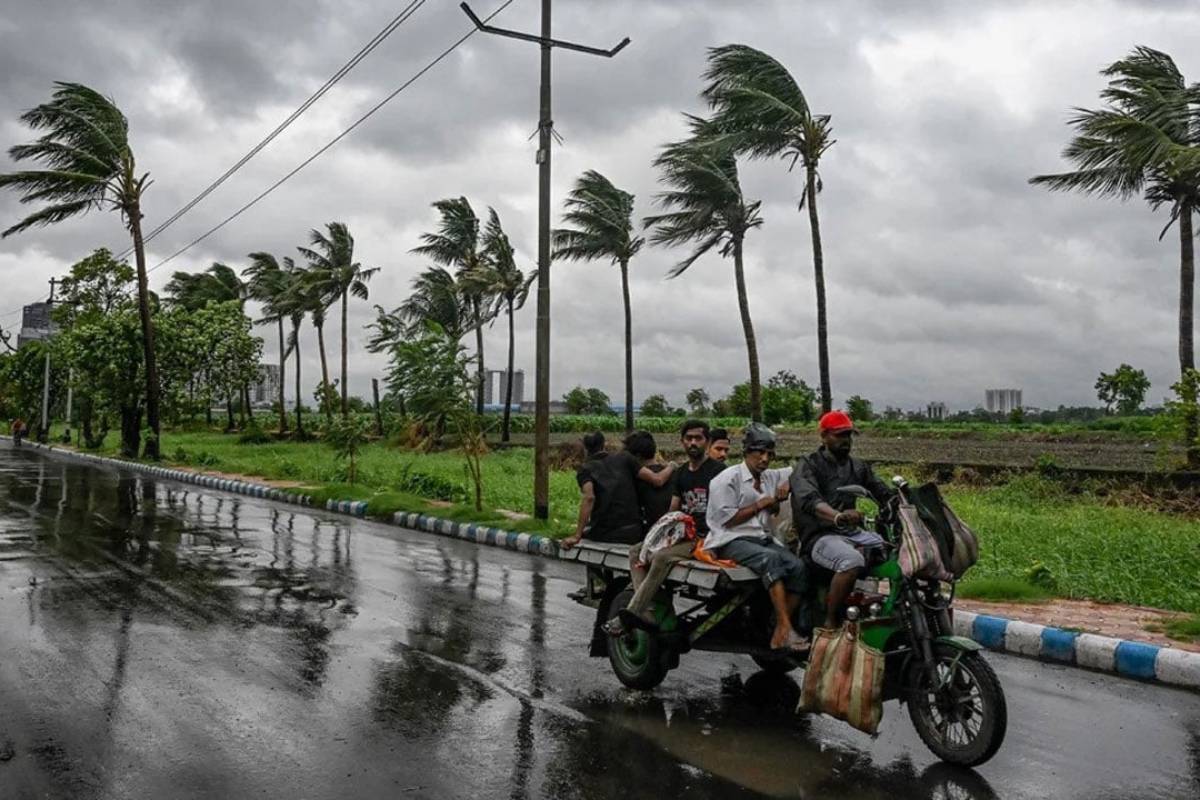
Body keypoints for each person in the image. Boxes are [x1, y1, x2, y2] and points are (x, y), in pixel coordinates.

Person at [613, 419, 726, 633]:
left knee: (662, 557)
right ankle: (646, 611)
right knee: (637, 551)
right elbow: (674, 510)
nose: (693, 442)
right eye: (688, 438)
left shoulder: (718, 472)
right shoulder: (681, 473)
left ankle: (632, 612)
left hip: (706, 537)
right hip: (683, 533)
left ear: (707, 441)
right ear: (682, 442)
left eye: (698, 438)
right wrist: (656, 537)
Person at [704, 423, 808, 652]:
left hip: (761, 539)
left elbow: (803, 466)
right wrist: (760, 504)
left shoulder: (770, 477)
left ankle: (778, 626)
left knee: (799, 567)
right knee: (770, 559)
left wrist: (788, 482)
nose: (764, 459)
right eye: (759, 452)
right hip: (730, 540)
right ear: (746, 452)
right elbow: (726, 520)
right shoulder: (726, 479)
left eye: (769, 454)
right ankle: (784, 628)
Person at [789, 410, 893, 628]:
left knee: (895, 552)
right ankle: (830, 620)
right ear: (824, 436)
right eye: (839, 435)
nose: (846, 440)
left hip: (851, 534)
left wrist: (906, 503)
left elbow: (882, 492)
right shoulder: (809, 465)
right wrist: (838, 516)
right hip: (819, 537)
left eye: (848, 435)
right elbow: (809, 499)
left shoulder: (857, 466)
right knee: (851, 561)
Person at [562, 430, 675, 550]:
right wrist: (672, 466)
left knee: (587, 537)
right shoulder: (625, 458)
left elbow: (589, 497)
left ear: (585, 449)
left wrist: (577, 535)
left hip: (606, 532)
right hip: (634, 531)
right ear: (604, 445)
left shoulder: (585, 470)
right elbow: (657, 480)